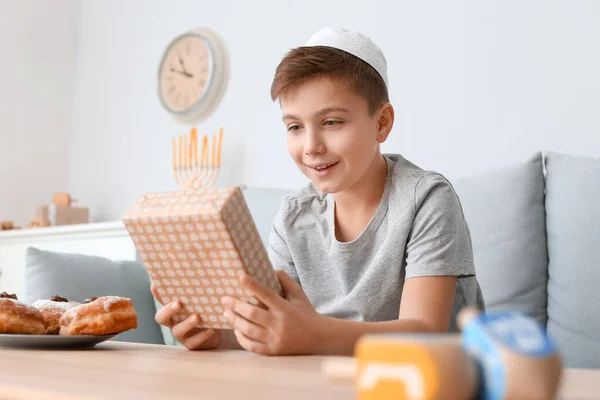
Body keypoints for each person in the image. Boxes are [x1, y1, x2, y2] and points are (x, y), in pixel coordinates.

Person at [152, 27, 485, 356]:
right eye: (295, 127)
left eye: (332, 122)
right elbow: (278, 328)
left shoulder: (426, 199)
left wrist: (314, 335)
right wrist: (218, 336)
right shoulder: (294, 218)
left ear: (382, 122)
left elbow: (425, 334)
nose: (311, 147)